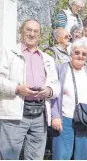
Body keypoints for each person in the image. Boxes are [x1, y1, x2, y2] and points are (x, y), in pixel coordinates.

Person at [0, 19, 60, 160]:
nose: (32, 34)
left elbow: (56, 84)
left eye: (35, 31)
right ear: (21, 31)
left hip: (40, 114)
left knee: (35, 157)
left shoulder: (47, 58)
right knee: (9, 157)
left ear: (39, 35)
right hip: (15, 114)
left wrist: (49, 90)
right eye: (28, 30)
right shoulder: (8, 52)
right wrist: (17, 88)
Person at [51, 40, 87, 160]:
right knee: (62, 156)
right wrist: (55, 116)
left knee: (83, 156)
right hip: (65, 120)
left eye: (84, 54)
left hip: (86, 121)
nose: (80, 56)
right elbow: (54, 95)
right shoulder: (60, 69)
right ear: (71, 54)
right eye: (77, 52)